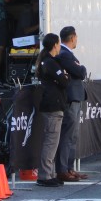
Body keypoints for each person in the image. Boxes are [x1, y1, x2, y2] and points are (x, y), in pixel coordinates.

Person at [34, 34, 70, 188]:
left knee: (53, 141)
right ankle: (45, 175)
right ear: (55, 45)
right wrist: (65, 76)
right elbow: (64, 81)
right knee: (51, 141)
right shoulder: (50, 62)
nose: (60, 46)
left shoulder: (47, 61)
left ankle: (49, 174)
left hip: (52, 104)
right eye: (59, 44)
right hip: (53, 105)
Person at [55, 26, 88, 183]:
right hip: (70, 97)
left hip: (75, 97)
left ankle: (69, 167)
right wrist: (81, 68)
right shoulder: (64, 54)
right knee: (68, 135)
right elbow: (80, 72)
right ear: (73, 37)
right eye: (76, 38)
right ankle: (62, 169)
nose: (76, 40)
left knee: (73, 135)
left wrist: (80, 68)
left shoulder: (67, 54)